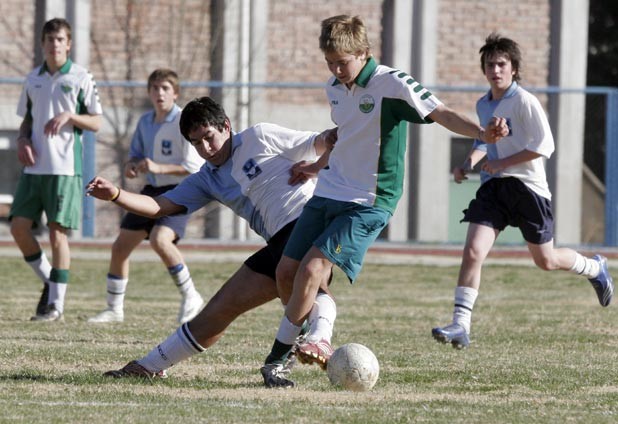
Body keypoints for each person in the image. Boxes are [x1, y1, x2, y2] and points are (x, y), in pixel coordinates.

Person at [260, 14, 510, 388]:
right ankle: (314, 331)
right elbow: (347, 135)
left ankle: (282, 359)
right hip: (328, 191)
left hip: (369, 200)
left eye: (342, 62)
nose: (336, 70)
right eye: (329, 62)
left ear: (363, 52)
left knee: (312, 271)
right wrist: (316, 166)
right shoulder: (334, 87)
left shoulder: (392, 83)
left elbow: (441, 112)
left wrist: (482, 134)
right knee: (285, 273)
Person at [85, 97, 337, 381]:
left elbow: (321, 142)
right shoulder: (207, 178)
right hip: (278, 242)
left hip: (308, 221)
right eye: (196, 143)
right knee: (221, 308)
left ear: (226, 126)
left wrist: (321, 159)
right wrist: (117, 194)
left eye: (208, 137)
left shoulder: (259, 136)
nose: (205, 148)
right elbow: (159, 206)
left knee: (308, 285)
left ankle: (317, 339)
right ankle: (148, 366)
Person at [431, 33, 614, 349]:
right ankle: (461, 325)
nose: (495, 70)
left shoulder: (525, 101)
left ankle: (595, 267)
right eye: (490, 65)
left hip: (529, 189)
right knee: (473, 251)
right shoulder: (483, 104)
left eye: (501, 64)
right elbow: (485, 141)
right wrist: (468, 163)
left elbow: (545, 146)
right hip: (495, 189)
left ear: (514, 68)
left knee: (546, 260)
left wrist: (503, 163)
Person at [87, 69, 205, 324]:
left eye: (165, 88)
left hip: (179, 192)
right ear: (149, 93)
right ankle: (114, 309)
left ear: (175, 93)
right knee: (120, 246)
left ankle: (192, 296)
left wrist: (158, 167)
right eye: (155, 88)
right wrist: (132, 165)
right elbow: (136, 155)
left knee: (160, 240)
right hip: (151, 192)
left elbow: (193, 167)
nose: (159, 93)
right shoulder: (145, 122)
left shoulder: (184, 121)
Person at [10, 18, 103, 322]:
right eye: (50, 39)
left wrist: (70, 116)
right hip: (33, 169)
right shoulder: (32, 79)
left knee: (57, 234)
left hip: (64, 169)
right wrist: (22, 140)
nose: (55, 45)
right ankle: (51, 281)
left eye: (60, 39)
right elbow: (26, 120)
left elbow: (96, 122)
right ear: (43, 44)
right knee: (18, 228)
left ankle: (56, 306)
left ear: (69, 44)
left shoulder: (80, 77)